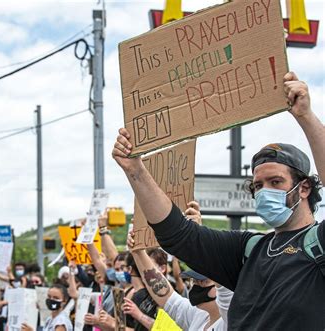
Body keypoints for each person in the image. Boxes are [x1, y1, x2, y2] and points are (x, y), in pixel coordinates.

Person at [112, 71, 324, 329]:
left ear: (304, 188)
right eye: (258, 185)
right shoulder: (249, 250)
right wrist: (135, 170)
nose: (264, 191)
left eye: (276, 182)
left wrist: (305, 117)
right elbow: (178, 235)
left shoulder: (318, 246)